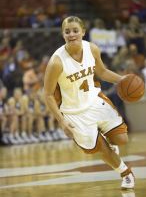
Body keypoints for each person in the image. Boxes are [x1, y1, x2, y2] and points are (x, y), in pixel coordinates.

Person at [44, 16, 135, 189]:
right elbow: (47, 95)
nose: (72, 34)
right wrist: (62, 122)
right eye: (67, 31)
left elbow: (101, 71)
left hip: (95, 101)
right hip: (73, 112)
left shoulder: (92, 49)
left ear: (83, 32)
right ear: (63, 34)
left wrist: (122, 80)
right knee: (98, 148)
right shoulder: (56, 62)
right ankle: (125, 173)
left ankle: (107, 140)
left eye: (75, 30)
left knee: (122, 139)